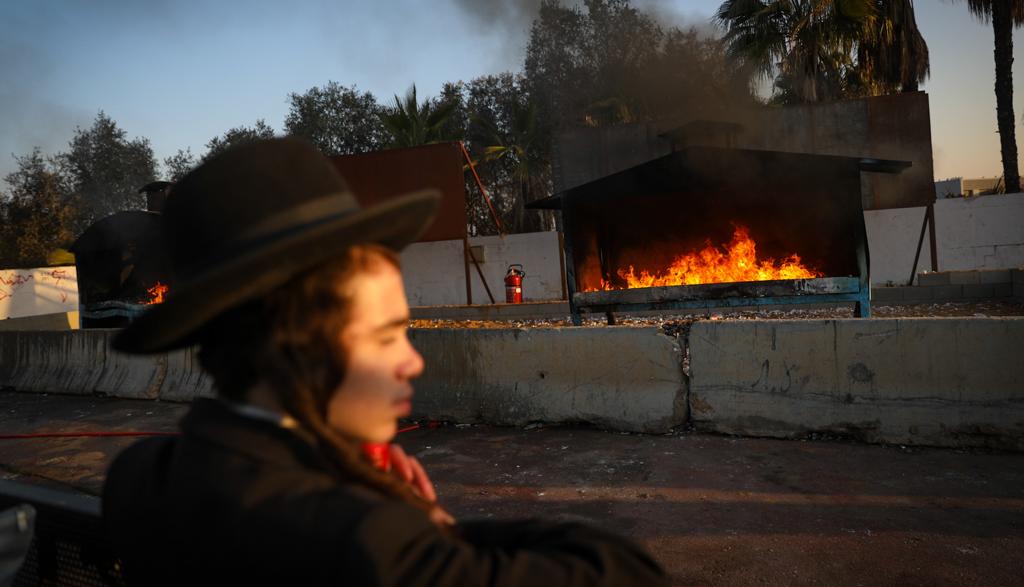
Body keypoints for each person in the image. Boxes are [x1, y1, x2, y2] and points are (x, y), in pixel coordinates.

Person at [102, 138, 667, 585]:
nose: (411, 363)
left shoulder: (137, 476)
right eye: (386, 335)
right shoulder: (364, 540)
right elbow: (625, 572)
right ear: (298, 343)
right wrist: (431, 528)